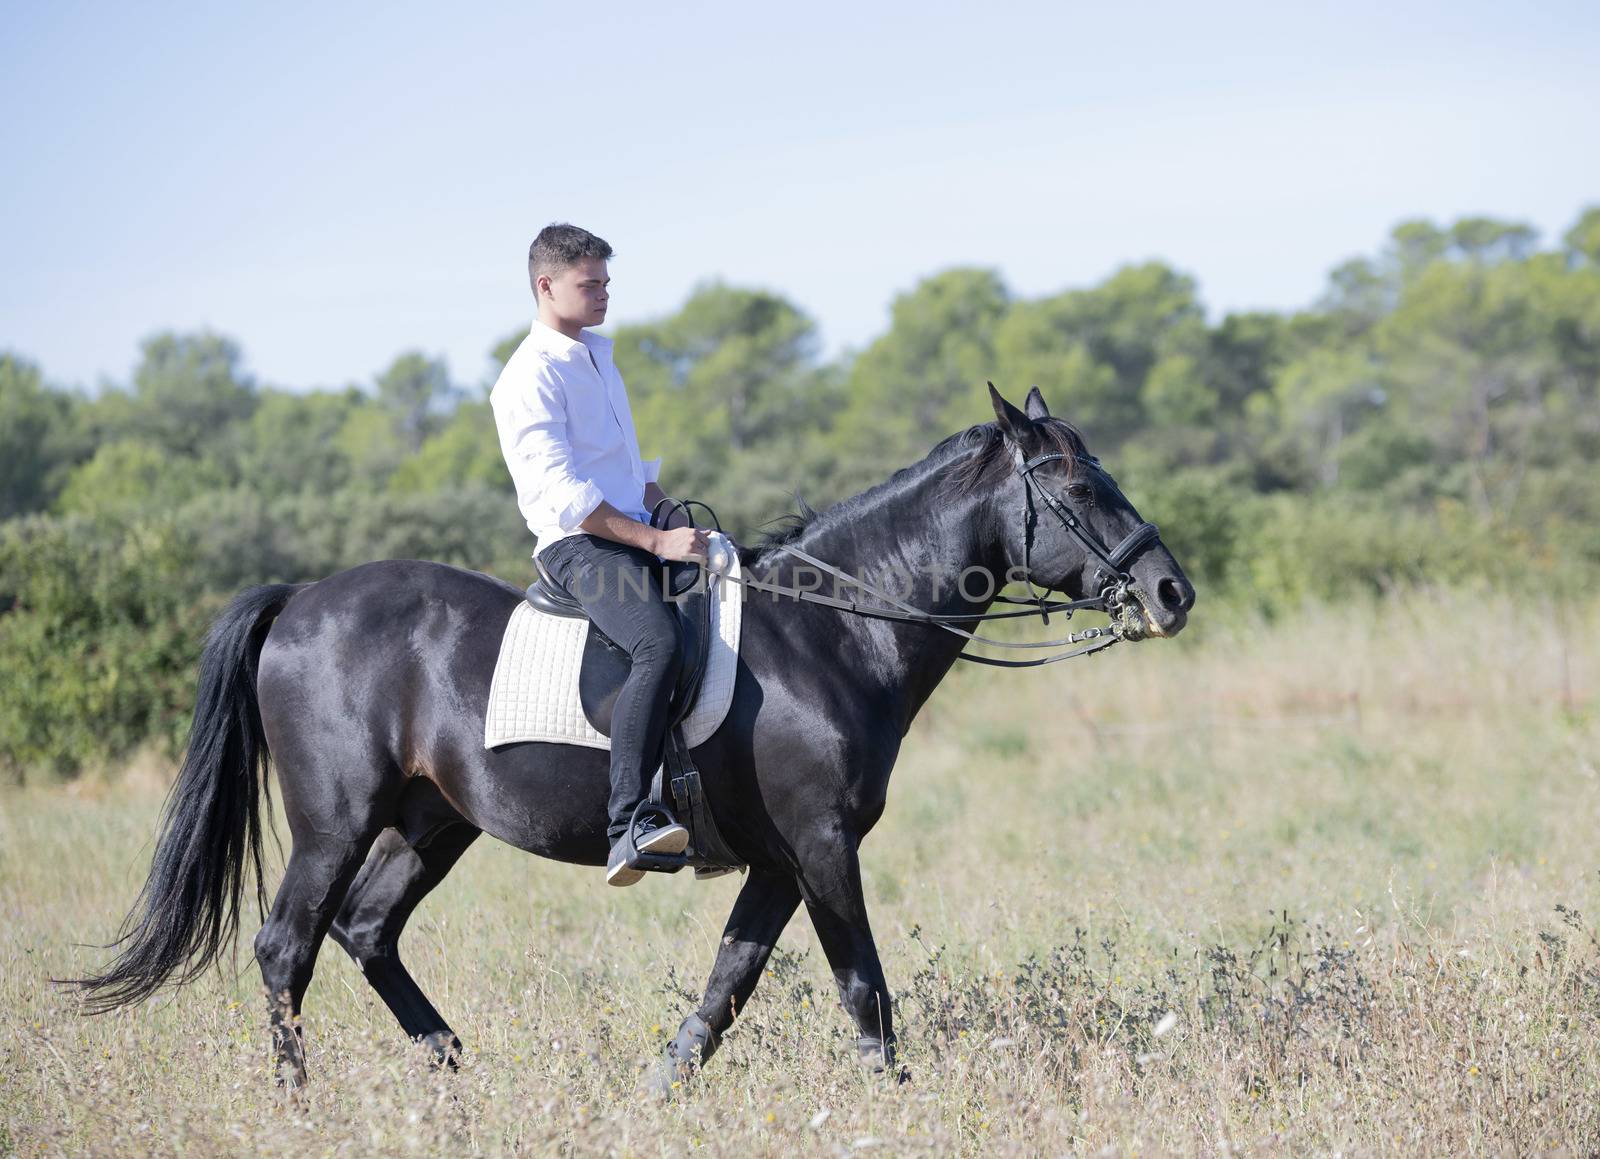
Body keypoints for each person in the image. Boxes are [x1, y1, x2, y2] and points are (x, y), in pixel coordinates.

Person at [490, 223, 708, 886]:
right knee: (657, 645)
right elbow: (567, 494)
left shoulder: (598, 359)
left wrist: (669, 511)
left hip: (633, 526)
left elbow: (627, 470)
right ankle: (628, 824)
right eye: (591, 284)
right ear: (545, 285)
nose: (604, 294)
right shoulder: (527, 376)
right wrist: (655, 540)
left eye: (607, 283)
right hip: (580, 546)